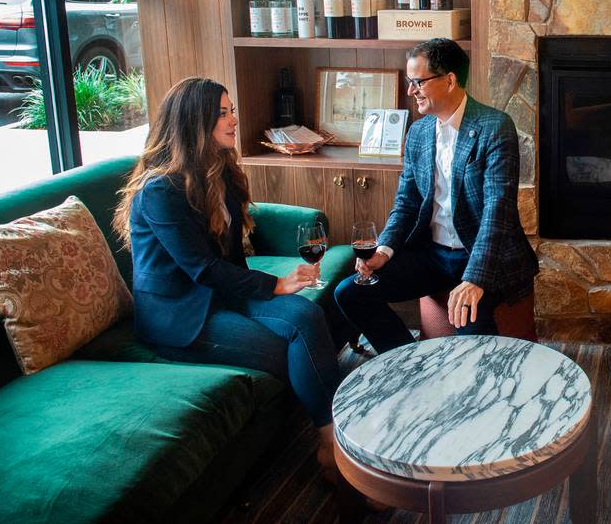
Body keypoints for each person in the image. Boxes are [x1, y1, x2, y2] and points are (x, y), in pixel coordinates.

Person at [113, 77, 342, 473]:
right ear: (193, 123)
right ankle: (333, 449)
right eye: (222, 114)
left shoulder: (221, 170)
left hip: (223, 293)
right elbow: (202, 268)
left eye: (231, 109)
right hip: (180, 315)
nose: (234, 119)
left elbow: (231, 257)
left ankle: (334, 439)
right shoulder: (159, 190)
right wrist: (275, 284)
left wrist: (271, 292)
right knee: (285, 349)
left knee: (307, 317)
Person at [335, 38, 538, 353]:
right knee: (349, 292)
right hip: (433, 255)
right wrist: (384, 251)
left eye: (417, 81)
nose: (409, 91)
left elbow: (497, 212)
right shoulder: (418, 133)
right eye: (409, 82)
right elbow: (406, 203)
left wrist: (475, 279)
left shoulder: (494, 127)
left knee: (468, 333)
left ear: (450, 80)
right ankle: (408, 363)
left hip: (481, 255)